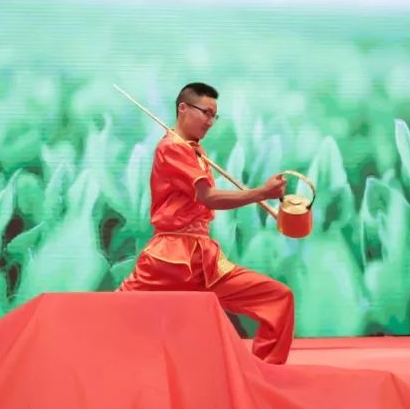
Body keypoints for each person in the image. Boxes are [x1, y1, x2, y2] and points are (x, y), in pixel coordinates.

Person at [118, 82, 296, 364]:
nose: (210, 122)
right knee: (114, 312)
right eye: (206, 113)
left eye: (215, 116)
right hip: (170, 259)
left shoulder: (194, 150)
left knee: (277, 297)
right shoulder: (172, 148)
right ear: (183, 108)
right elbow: (207, 197)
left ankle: (266, 374)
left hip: (204, 260)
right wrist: (261, 193)